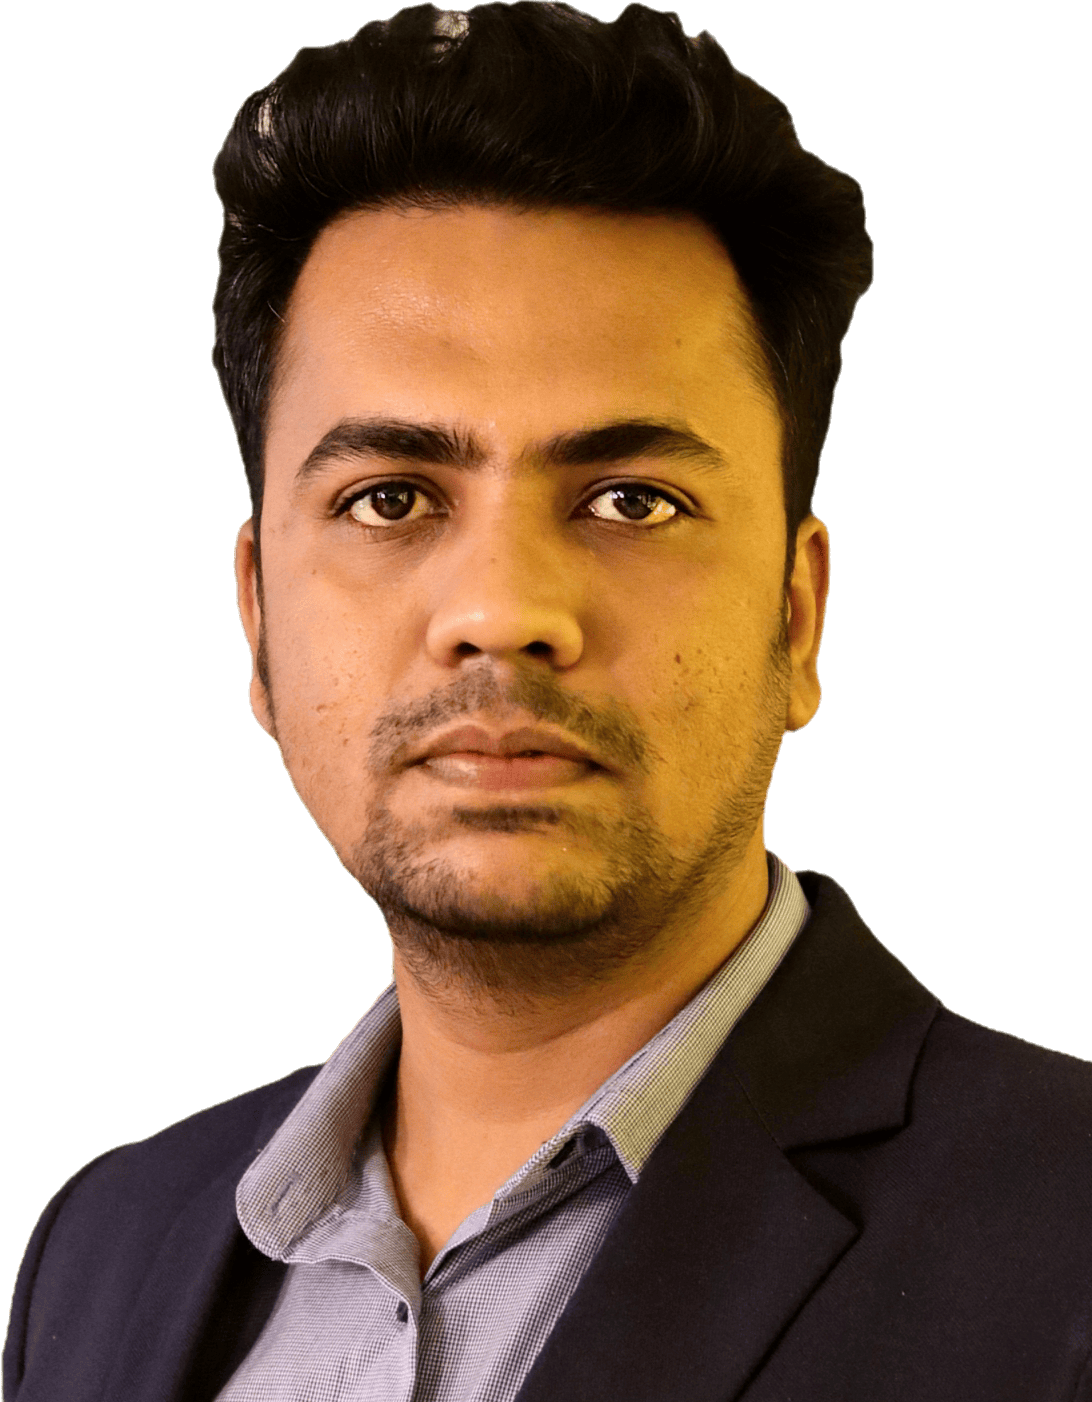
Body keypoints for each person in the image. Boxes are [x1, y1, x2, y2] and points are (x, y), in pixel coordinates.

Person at [5, 3, 1090, 1398]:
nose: (503, 608)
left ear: (797, 616)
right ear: (259, 617)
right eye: (389, 498)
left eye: (632, 500)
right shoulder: (102, 1245)